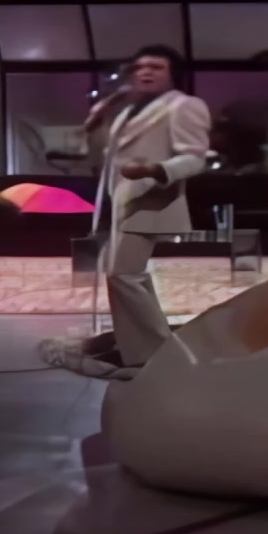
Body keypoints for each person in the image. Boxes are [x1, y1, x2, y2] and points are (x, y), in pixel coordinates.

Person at [82, 45, 212, 369]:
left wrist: (156, 170)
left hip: (152, 199)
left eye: (156, 67)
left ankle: (157, 352)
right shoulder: (127, 110)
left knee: (123, 275)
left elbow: (195, 157)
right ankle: (137, 349)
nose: (145, 72)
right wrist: (98, 119)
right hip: (119, 200)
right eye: (140, 67)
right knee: (125, 276)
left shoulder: (185, 105)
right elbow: (105, 155)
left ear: (172, 74)